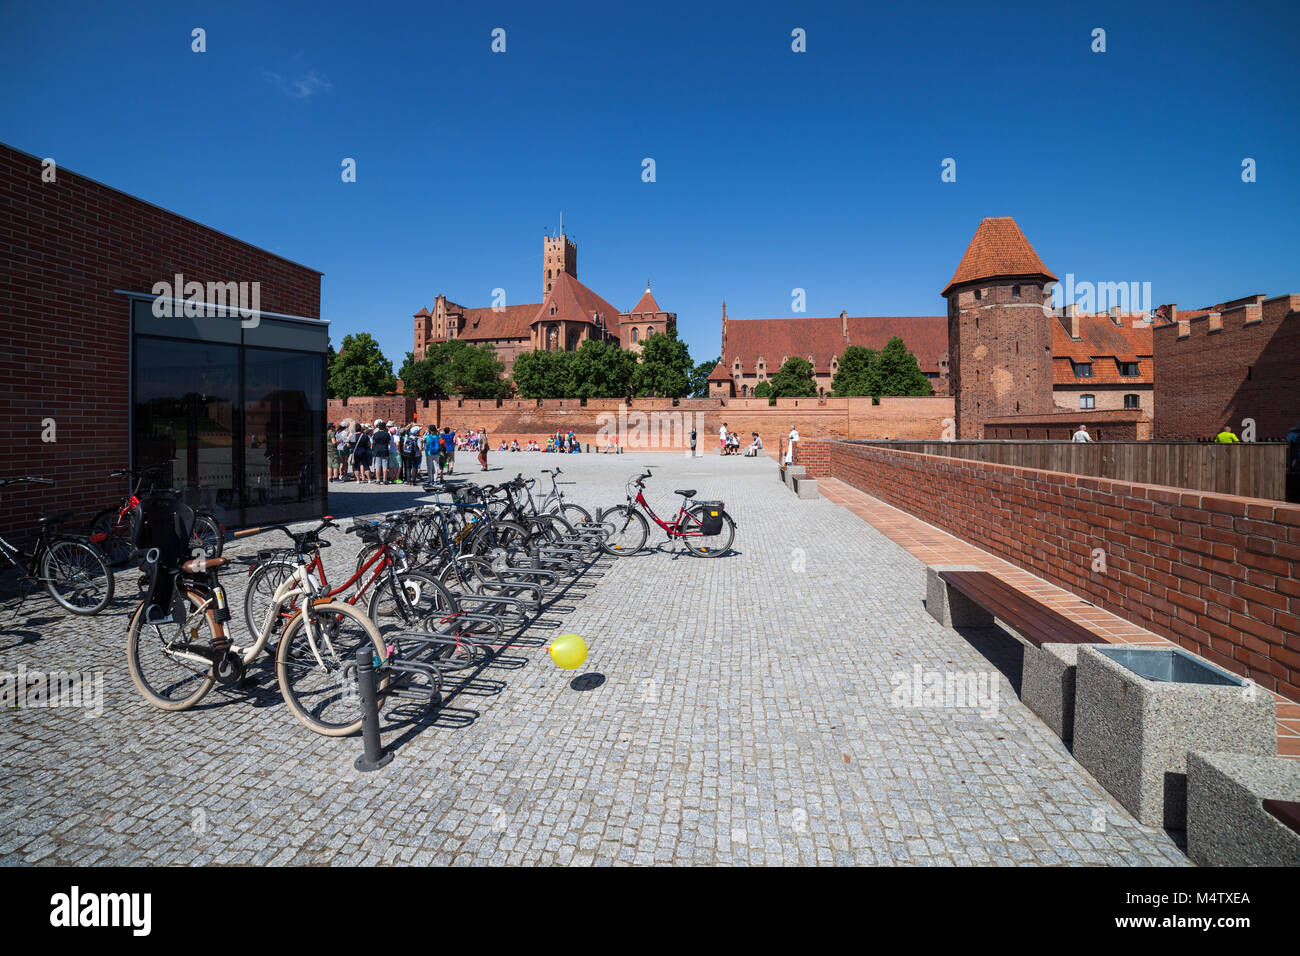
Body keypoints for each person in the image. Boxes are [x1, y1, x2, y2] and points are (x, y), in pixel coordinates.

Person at [371, 419, 390, 483]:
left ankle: (378, 480)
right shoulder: (387, 434)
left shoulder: (375, 434)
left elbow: (374, 443)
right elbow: (389, 442)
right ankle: (385, 480)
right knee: (385, 466)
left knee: (377, 466)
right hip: (385, 450)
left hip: (377, 450)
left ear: (378, 427)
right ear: (384, 427)